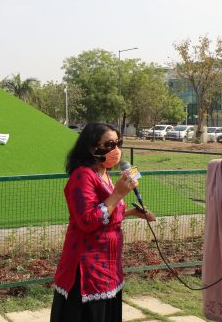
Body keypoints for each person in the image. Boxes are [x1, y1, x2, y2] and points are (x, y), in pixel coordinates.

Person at [50, 122, 156, 322]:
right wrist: (117, 194)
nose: (115, 150)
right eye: (109, 144)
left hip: (110, 267)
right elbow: (88, 221)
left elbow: (107, 215)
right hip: (87, 271)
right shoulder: (82, 176)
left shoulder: (106, 174)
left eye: (118, 143)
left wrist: (132, 211)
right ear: (91, 147)